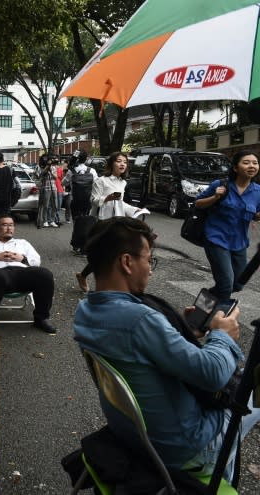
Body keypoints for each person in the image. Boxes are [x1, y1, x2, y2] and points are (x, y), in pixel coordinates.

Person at [73, 217, 260, 481]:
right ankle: (216, 476)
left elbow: (141, 348)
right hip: (183, 449)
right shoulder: (139, 320)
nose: (150, 269)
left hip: (133, 435)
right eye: (149, 260)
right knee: (250, 390)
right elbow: (213, 374)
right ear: (127, 262)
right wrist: (221, 334)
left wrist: (181, 329)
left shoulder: (86, 311)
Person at [0, 214, 56, 334]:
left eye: (11, 225)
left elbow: (37, 260)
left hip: (22, 274)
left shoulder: (22, 243)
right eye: (5, 225)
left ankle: (42, 318)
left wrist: (22, 258)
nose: (9, 228)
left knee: (45, 274)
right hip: (0, 276)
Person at [194, 150, 260, 303]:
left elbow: (256, 214)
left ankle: (203, 305)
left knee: (237, 284)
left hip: (239, 243)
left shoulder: (258, 192)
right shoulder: (221, 185)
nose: (252, 166)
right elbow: (198, 203)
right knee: (225, 285)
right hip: (216, 239)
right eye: (246, 162)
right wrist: (215, 196)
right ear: (236, 168)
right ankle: (212, 320)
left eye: (255, 163)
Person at [75, 152, 129, 292]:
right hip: (102, 222)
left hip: (118, 221)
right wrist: (107, 198)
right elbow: (93, 200)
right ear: (112, 164)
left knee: (109, 254)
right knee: (105, 254)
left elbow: (121, 203)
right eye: (119, 161)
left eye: (125, 161)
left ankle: (88, 277)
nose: (122, 164)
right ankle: (97, 281)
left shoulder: (123, 182)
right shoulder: (101, 180)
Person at [69, 150, 97, 219]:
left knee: (76, 221)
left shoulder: (71, 171)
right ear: (86, 159)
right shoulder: (92, 171)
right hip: (88, 200)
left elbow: (63, 183)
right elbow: (96, 184)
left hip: (75, 200)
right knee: (86, 221)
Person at [36, 155, 59, 228]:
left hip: (53, 188)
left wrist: (51, 170)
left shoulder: (54, 167)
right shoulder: (41, 167)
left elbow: (55, 177)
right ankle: (45, 221)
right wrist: (47, 167)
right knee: (46, 205)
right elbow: (40, 175)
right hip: (46, 188)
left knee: (54, 205)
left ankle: (52, 221)